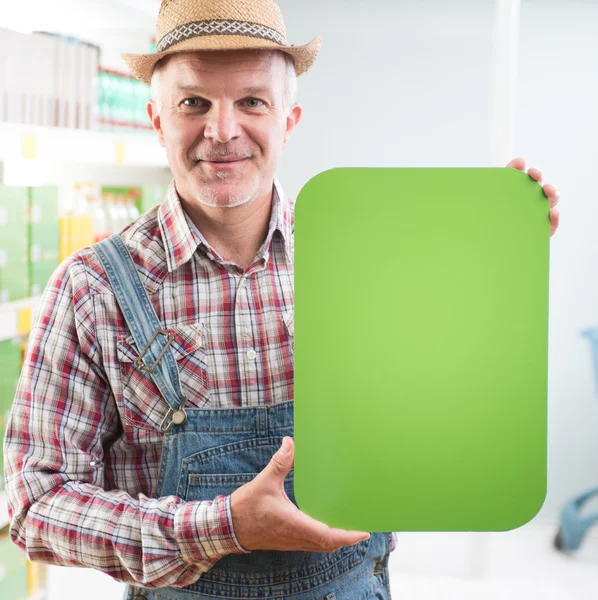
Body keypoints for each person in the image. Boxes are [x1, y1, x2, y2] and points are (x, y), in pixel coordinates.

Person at [3, 1, 560, 599]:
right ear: (157, 121)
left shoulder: (372, 265)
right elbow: (32, 505)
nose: (222, 130)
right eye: (194, 103)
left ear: (288, 120)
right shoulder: (92, 289)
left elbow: (445, 404)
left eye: (251, 101)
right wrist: (220, 527)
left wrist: (497, 266)